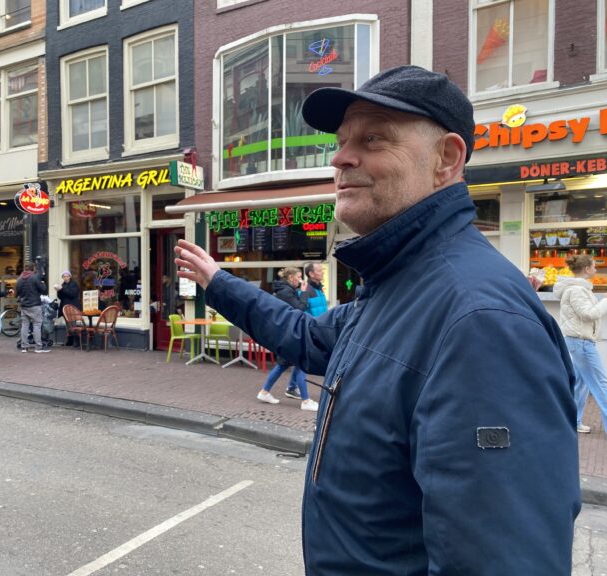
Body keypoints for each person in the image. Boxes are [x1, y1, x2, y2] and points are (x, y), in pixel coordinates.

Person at [174, 65, 579, 574]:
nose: (340, 158)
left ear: (446, 159)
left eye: (372, 139)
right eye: (341, 142)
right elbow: (306, 337)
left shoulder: (479, 322)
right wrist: (218, 282)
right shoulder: (397, 288)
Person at [553, 254, 607, 434]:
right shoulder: (576, 290)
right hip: (581, 343)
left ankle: (573, 422)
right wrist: (605, 301)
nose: (596, 269)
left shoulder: (579, 288)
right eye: (594, 266)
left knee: (580, 385)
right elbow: (588, 314)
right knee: (601, 384)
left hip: (579, 342)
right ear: (586, 269)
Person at [256, 267, 318, 411]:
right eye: (298, 277)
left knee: (283, 365)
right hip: (289, 333)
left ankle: (264, 392)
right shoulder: (286, 292)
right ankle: (306, 401)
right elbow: (299, 309)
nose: (300, 280)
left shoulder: (286, 290)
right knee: (300, 363)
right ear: (291, 278)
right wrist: (304, 292)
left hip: (286, 332)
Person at [284, 262, 328, 399]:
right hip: (311, 331)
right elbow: (301, 310)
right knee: (305, 361)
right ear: (311, 274)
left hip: (320, 328)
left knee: (300, 362)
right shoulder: (306, 290)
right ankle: (306, 398)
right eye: (319, 270)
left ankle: (291, 387)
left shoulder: (319, 289)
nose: (322, 272)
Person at [15, 262, 50, 353]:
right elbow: (43, 289)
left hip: (24, 305)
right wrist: (43, 283)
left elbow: (16, 293)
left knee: (24, 326)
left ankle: (24, 346)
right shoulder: (35, 277)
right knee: (37, 325)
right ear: (33, 268)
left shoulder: (19, 278)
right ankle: (38, 347)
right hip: (35, 305)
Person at [55, 270, 80, 346]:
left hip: (72, 307)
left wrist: (62, 289)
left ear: (70, 277)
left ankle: (76, 341)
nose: (65, 278)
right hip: (65, 307)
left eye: (67, 276)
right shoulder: (63, 285)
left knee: (72, 324)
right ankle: (70, 340)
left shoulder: (74, 284)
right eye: (64, 276)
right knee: (68, 325)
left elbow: (72, 294)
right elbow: (60, 297)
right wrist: (58, 290)